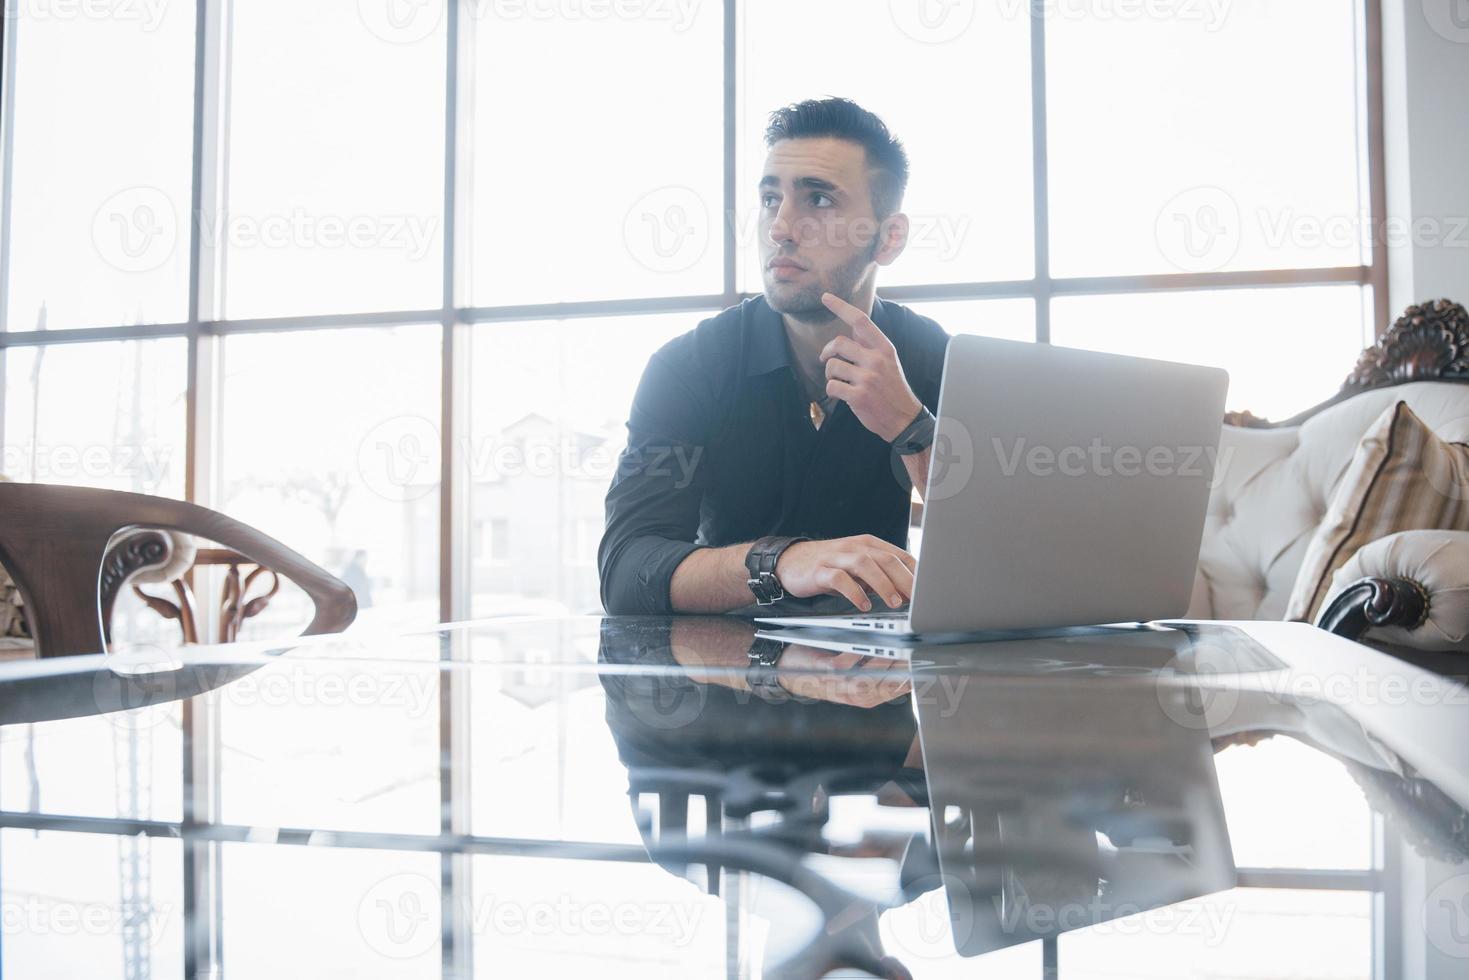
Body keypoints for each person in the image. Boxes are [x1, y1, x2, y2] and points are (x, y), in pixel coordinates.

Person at [599, 97, 950, 616]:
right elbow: (627, 570)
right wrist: (782, 562)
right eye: (770, 199)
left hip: (878, 681)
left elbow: (1004, 553)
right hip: (722, 680)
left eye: (819, 201)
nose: (780, 228)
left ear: (888, 238)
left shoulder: (932, 356)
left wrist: (911, 426)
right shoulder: (689, 366)